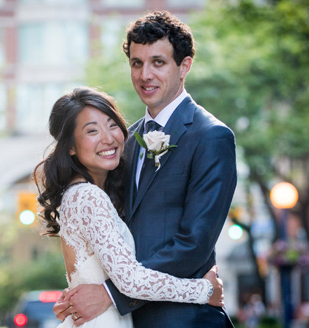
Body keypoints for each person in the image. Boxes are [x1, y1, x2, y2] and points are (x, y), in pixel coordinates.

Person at [54, 10, 237, 328]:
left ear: (185, 66)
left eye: (158, 62)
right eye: (136, 63)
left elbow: (194, 243)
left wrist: (111, 294)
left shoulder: (210, 136)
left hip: (182, 318)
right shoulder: (123, 143)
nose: (145, 75)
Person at [34, 86, 225, 328]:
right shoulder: (89, 197)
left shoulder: (79, 194)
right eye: (92, 130)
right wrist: (205, 290)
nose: (108, 137)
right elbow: (131, 281)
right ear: (70, 147)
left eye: (112, 124)